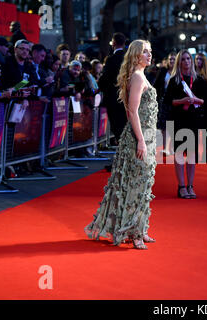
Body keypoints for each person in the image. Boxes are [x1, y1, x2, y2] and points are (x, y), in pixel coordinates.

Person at [85, 39, 158, 250]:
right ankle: (132, 231)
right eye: (145, 52)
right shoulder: (136, 77)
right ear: (136, 54)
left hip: (146, 135)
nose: (149, 55)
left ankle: (140, 229)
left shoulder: (141, 75)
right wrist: (141, 141)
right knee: (135, 183)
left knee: (143, 183)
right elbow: (132, 111)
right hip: (138, 137)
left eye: (150, 52)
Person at [163, 49, 206, 199]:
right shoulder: (174, 80)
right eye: (183, 59)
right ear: (179, 62)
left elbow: (205, 101)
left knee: (192, 154)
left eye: (188, 59)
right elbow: (168, 101)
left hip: (193, 119)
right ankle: (181, 186)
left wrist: (195, 100)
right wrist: (182, 101)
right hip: (178, 119)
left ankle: (190, 185)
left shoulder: (198, 79)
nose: (186, 61)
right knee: (180, 153)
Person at [98, 32, 127, 148]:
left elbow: (104, 79)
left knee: (118, 129)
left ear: (113, 43)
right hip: (127, 98)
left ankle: (122, 161)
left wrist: (99, 87)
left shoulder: (111, 59)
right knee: (125, 129)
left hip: (114, 100)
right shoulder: (128, 59)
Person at [153, 51, 176, 155]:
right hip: (163, 101)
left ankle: (172, 147)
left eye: (174, 59)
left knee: (174, 125)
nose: (171, 61)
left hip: (176, 101)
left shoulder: (179, 72)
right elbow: (156, 85)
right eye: (170, 59)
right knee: (164, 126)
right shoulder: (163, 71)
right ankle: (166, 147)